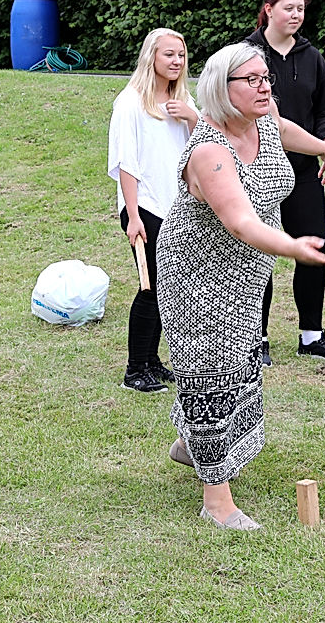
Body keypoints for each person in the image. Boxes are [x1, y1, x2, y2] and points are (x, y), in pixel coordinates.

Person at [156, 41, 325, 531]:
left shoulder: (261, 120)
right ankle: (216, 502)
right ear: (223, 89)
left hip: (247, 270)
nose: (266, 87)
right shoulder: (209, 151)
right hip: (198, 270)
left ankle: (192, 445)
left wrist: (323, 146)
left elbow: (282, 130)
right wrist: (293, 247)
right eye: (254, 80)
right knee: (211, 373)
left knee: (240, 364)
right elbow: (239, 221)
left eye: (267, 78)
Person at [244, 0, 325, 366]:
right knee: (260, 255)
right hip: (257, 171)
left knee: (313, 248)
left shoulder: (312, 57)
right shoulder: (247, 56)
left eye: (301, 9)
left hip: (303, 171)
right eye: (288, 8)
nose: (296, 15)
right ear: (269, 9)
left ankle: (312, 336)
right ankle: (257, 340)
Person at [107, 28, 198, 393]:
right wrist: (132, 216)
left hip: (176, 206)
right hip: (143, 207)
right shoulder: (129, 102)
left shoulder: (183, 100)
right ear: (152, 58)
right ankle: (133, 371)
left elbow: (203, 148)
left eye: (180, 55)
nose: (176, 61)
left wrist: (191, 117)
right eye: (168, 55)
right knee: (151, 288)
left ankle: (152, 360)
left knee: (168, 288)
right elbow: (126, 163)